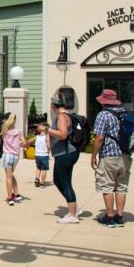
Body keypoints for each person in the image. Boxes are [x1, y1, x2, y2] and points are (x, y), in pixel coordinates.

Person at [91, 89, 130, 228]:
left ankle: (109, 216)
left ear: (103, 102)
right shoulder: (124, 113)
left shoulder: (103, 115)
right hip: (125, 156)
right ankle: (119, 216)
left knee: (107, 186)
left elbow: (99, 137)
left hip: (109, 155)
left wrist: (94, 155)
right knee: (121, 186)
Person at [48, 89, 80, 223]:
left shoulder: (61, 116)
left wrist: (46, 130)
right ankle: (72, 206)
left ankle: (73, 214)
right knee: (57, 180)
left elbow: (63, 134)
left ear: (54, 106)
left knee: (65, 183)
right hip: (65, 153)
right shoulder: (67, 114)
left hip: (65, 154)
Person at [0, 113, 24, 205]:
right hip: (16, 156)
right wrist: (18, 144)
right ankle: (17, 194)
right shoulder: (19, 131)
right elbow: (24, 143)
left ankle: (10, 197)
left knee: (8, 177)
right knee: (10, 175)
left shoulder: (4, 130)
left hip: (7, 155)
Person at [31, 123, 51, 187]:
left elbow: (30, 141)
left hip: (37, 155)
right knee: (44, 169)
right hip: (44, 155)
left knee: (38, 168)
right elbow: (48, 145)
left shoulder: (36, 137)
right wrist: (48, 150)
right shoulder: (47, 136)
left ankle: (37, 178)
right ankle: (42, 182)